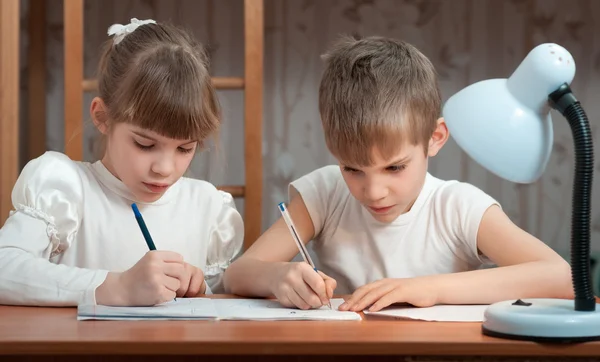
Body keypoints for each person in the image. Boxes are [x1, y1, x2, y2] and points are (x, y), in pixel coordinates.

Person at [223, 35, 573, 312]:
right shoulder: (326, 191)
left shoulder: (458, 207)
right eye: (352, 168)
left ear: (434, 138)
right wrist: (278, 277)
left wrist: (427, 288)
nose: (373, 191)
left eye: (394, 167)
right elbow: (237, 275)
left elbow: (562, 278)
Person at [0, 18, 243, 307]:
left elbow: (223, 304)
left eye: (184, 148)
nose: (164, 168)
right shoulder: (67, 189)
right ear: (102, 117)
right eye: (145, 144)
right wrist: (115, 286)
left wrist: (200, 288)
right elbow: (6, 267)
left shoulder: (207, 207)